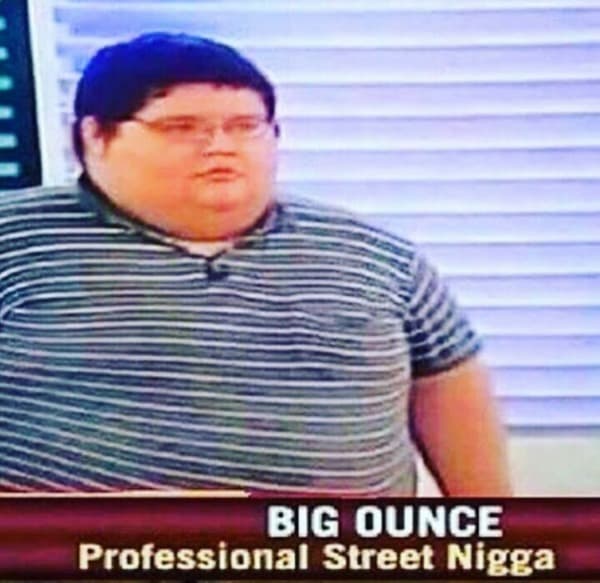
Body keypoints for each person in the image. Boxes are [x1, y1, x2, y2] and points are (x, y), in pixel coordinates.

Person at [0, 32, 511, 496]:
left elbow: (449, 389)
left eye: (245, 126)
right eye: (181, 127)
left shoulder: (374, 255)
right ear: (95, 135)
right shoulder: (14, 239)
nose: (221, 146)